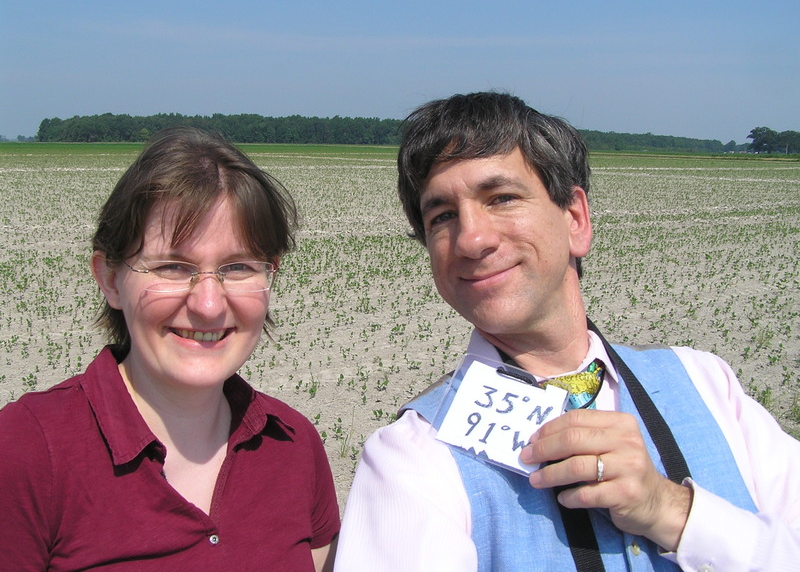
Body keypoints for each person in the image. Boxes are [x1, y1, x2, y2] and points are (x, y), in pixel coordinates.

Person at [335, 92, 800, 571]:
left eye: (502, 198)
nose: (472, 239)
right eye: (442, 216)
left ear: (576, 218)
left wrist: (670, 510)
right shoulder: (411, 459)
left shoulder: (709, 385)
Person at [0, 127, 339, 571]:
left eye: (238, 267)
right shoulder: (25, 450)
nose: (209, 305)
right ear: (109, 279)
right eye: (172, 267)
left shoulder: (294, 445)